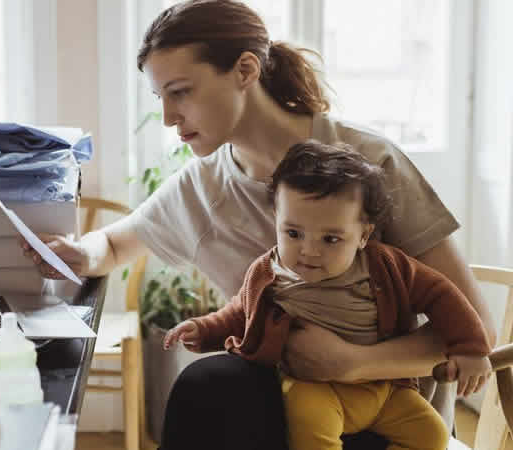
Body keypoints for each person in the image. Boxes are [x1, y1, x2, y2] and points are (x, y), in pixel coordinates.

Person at [20, 1, 496, 448]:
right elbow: (116, 244)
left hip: (389, 406)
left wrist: (353, 363)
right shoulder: (201, 186)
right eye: (161, 97)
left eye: (181, 93)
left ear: (246, 70)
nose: (168, 118)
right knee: (210, 384)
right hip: (285, 397)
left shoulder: (367, 164)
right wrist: (82, 253)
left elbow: (478, 326)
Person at [162, 140, 492, 450]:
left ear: (363, 235)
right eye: (293, 233)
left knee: (431, 434)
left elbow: (443, 296)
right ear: (276, 220)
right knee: (311, 431)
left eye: (331, 239)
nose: (308, 251)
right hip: (313, 389)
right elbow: (240, 312)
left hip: (384, 389)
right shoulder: (269, 272)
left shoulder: (385, 267)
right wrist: (204, 330)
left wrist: (471, 348)